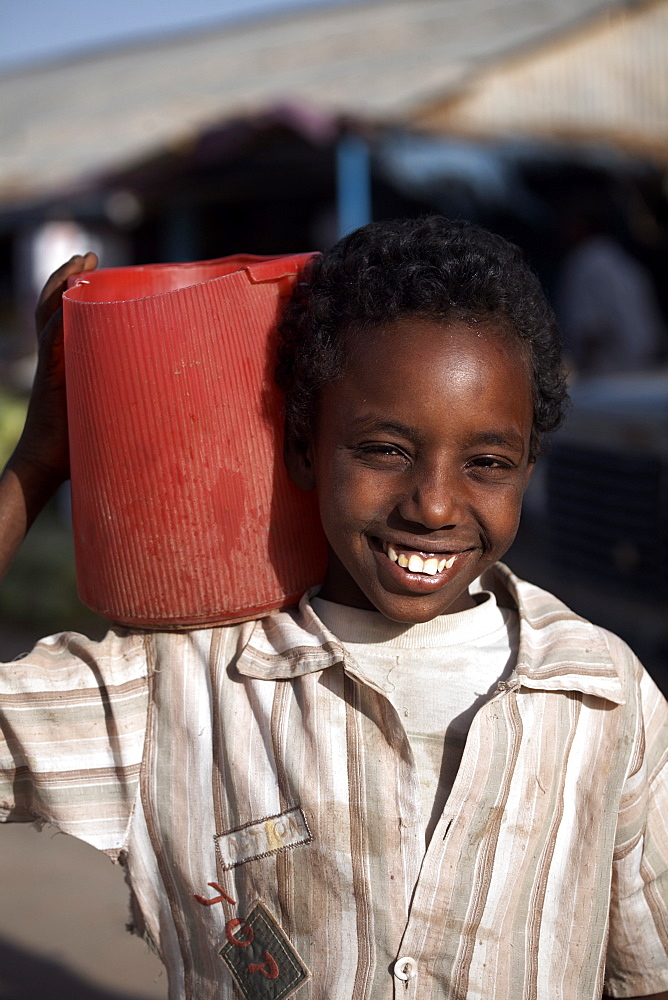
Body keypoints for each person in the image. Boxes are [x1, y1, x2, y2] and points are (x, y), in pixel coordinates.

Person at [0, 218, 666, 1000]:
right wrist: (38, 464)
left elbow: (646, 973)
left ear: (529, 466)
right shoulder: (176, 687)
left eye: (488, 463)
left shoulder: (602, 694)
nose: (435, 505)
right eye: (386, 450)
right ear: (304, 448)